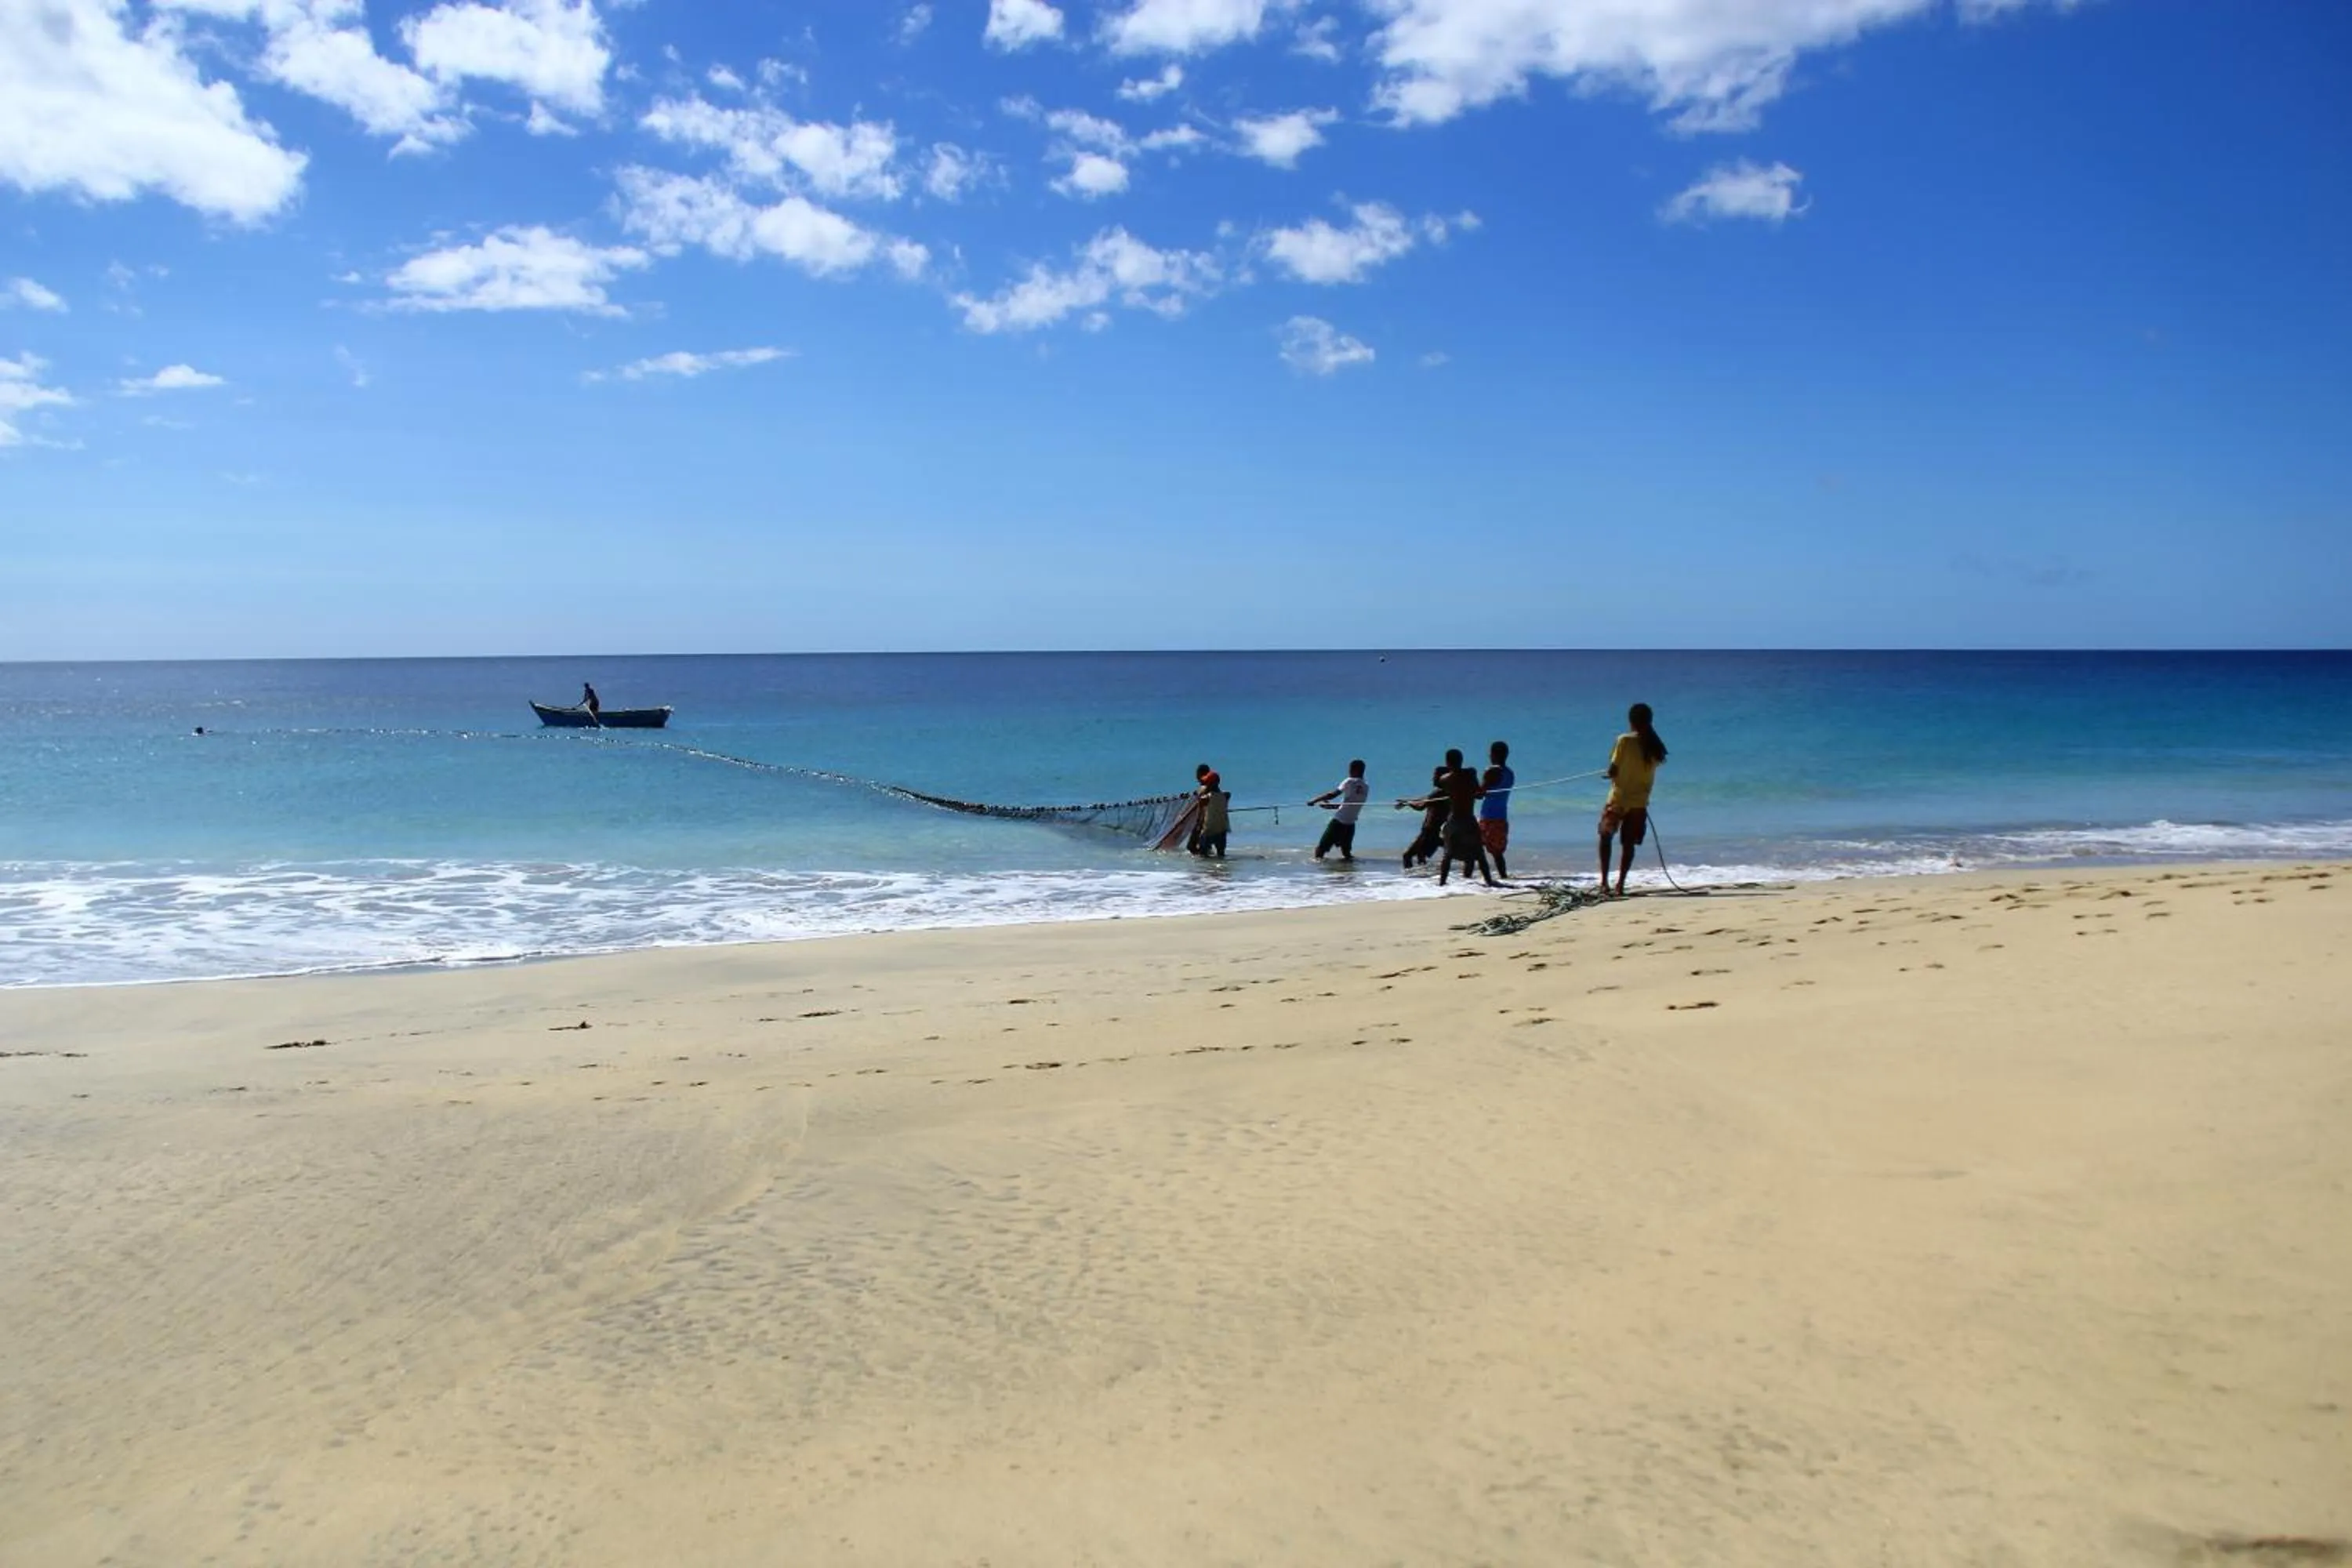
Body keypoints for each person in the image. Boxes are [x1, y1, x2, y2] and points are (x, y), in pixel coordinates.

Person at [1599, 702, 1668, 896]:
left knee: (1605, 837)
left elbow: (1613, 770)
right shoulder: (1655, 746)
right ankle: (1620, 884)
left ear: (1631, 721)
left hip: (1618, 799)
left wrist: (1610, 774)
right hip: (1639, 803)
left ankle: (1604, 883)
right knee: (1627, 843)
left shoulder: (1624, 741)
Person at [1308, 760, 1370, 862]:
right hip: (1350, 824)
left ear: (1354, 770)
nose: (1349, 772)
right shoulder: (1366, 786)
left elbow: (1332, 794)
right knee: (1347, 854)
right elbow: (1350, 805)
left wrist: (1314, 800)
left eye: (1350, 769)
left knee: (1320, 850)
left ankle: (1318, 873)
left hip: (1339, 822)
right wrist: (1331, 806)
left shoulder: (1349, 781)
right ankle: (1349, 875)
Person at [1396, 762, 1450, 869]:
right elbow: (1423, 799)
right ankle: (1425, 880)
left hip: (1429, 832)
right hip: (1434, 832)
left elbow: (1420, 807)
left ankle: (1412, 881)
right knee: (1421, 856)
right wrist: (1407, 801)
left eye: (1435, 776)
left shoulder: (1439, 794)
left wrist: (1408, 803)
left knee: (1407, 856)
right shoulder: (1445, 792)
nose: (1432, 779)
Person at [1479, 739, 1515, 880]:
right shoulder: (1510, 773)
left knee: (1476, 848)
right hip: (1501, 816)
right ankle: (1503, 877)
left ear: (1493, 754)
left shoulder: (1492, 770)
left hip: (1488, 816)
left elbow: (1480, 794)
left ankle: (1469, 879)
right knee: (1497, 852)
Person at [1192, 770, 1232, 860]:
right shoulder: (1226, 796)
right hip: (1222, 830)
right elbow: (1225, 794)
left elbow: (1200, 808)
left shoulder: (1206, 798)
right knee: (1221, 856)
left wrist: (1198, 825)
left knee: (1203, 856)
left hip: (1209, 830)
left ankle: (1207, 870)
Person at [1185, 763, 1221, 855]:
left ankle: (1202, 866)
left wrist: (1198, 824)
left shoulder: (1203, 790)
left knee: (1191, 847)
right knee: (1214, 851)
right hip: (1219, 825)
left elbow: (1201, 809)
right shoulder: (1220, 793)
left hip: (1205, 824)